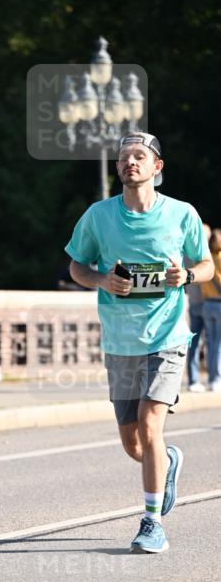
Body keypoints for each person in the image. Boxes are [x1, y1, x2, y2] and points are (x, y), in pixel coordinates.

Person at [66, 132, 213, 553]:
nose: (131, 162)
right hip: (120, 340)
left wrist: (186, 276)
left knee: (151, 426)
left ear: (156, 167)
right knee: (135, 444)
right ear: (117, 169)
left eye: (140, 156)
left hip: (167, 337)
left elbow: (204, 265)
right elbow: (77, 265)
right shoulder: (98, 215)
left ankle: (152, 523)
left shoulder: (181, 214)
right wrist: (101, 279)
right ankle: (167, 462)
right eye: (124, 157)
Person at [185, 222, 211, 392]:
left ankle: (193, 379)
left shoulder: (185, 253)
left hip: (194, 302)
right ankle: (214, 378)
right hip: (209, 302)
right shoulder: (207, 256)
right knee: (214, 343)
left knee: (194, 343)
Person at [201, 227, 221, 391]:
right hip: (219, 304)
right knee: (219, 344)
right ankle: (216, 379)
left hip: (207, 303)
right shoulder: (220, 258)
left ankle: (211, 378)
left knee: (211, 343)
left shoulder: (205, 259)